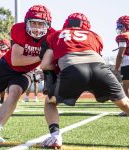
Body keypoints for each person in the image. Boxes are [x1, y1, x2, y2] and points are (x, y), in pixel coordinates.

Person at [40, 12, 129, 149]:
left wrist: (59, 69)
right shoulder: (94, 35)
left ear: (67, 24)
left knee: (49, 103)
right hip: (100, 69)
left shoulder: (56, 34)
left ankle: (55, 136)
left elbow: (45, 65)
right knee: (124, 104)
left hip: (72, 69)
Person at [0, 5, 55, 142]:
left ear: (48, 25)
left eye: (40, 24)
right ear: (26, 23)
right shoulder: (19, 29)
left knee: (14, 94)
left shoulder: (52, 36)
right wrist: (40, 57)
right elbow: (16, 60)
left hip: (26, 72)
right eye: (33, 23)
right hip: (6, 67)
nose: (37, 27)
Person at [114, 15, 129, 116]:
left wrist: (116, 68)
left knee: (126, 86)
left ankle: (127, 109)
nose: (119, 28)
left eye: (120, 25)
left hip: (127, 63)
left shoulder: (123, 36)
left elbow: (120, 55)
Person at [0, 39, 11, 104]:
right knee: (2, 87)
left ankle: (9, 98)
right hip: (1, 70)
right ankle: (2, 99)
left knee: (10, 86)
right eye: (1, 44)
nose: (2, 45)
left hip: (11, 70)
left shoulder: (11, 50)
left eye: (3, 44)